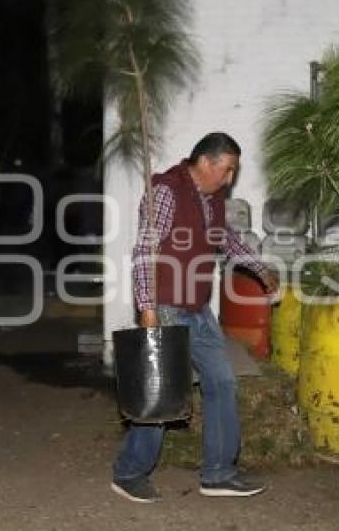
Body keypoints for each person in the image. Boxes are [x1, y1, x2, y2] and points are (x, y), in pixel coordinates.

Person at [111, 132, 279, 503]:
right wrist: (148, 308)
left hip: (199, 310)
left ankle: (218, 473)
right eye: (228, 169)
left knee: (222, 384)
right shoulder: (167, 191)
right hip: (167, 306)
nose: (230, 178)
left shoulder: (213, 197)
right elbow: (145, 250)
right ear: (205, 162)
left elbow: (226, 239)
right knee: (163, 395)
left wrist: (259, 268)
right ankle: (129, 472)